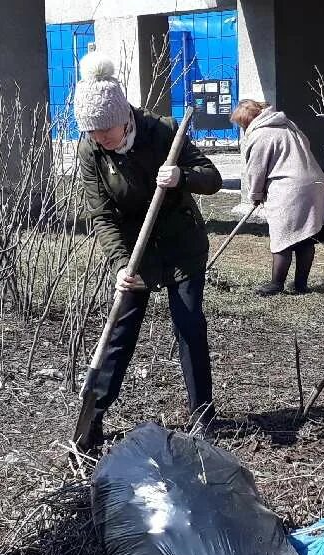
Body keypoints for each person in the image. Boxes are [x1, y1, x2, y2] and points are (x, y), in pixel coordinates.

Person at [74, 52, 223, 452]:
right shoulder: (91, 152)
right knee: (121, 329)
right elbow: (102, 215)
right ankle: (92, 420)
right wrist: (122, 264)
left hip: (180, 245)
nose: (100, 138)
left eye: (106, 129)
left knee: (189, 326)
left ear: (124, 116)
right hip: (134, 250)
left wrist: (182, 177)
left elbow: (214, 178)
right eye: (92, 132)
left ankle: (202, 415)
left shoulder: (164, 132)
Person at [232, 99, 324, 296]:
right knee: (305, 237)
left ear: (247, 121)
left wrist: (256, 194)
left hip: (289, 188)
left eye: (242, 124)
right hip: (314, 182)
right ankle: (300, 285)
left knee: (282, 237)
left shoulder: (260, 134)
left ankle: (276, 284)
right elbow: (306, 145)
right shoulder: (289, 126)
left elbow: (256, 170)